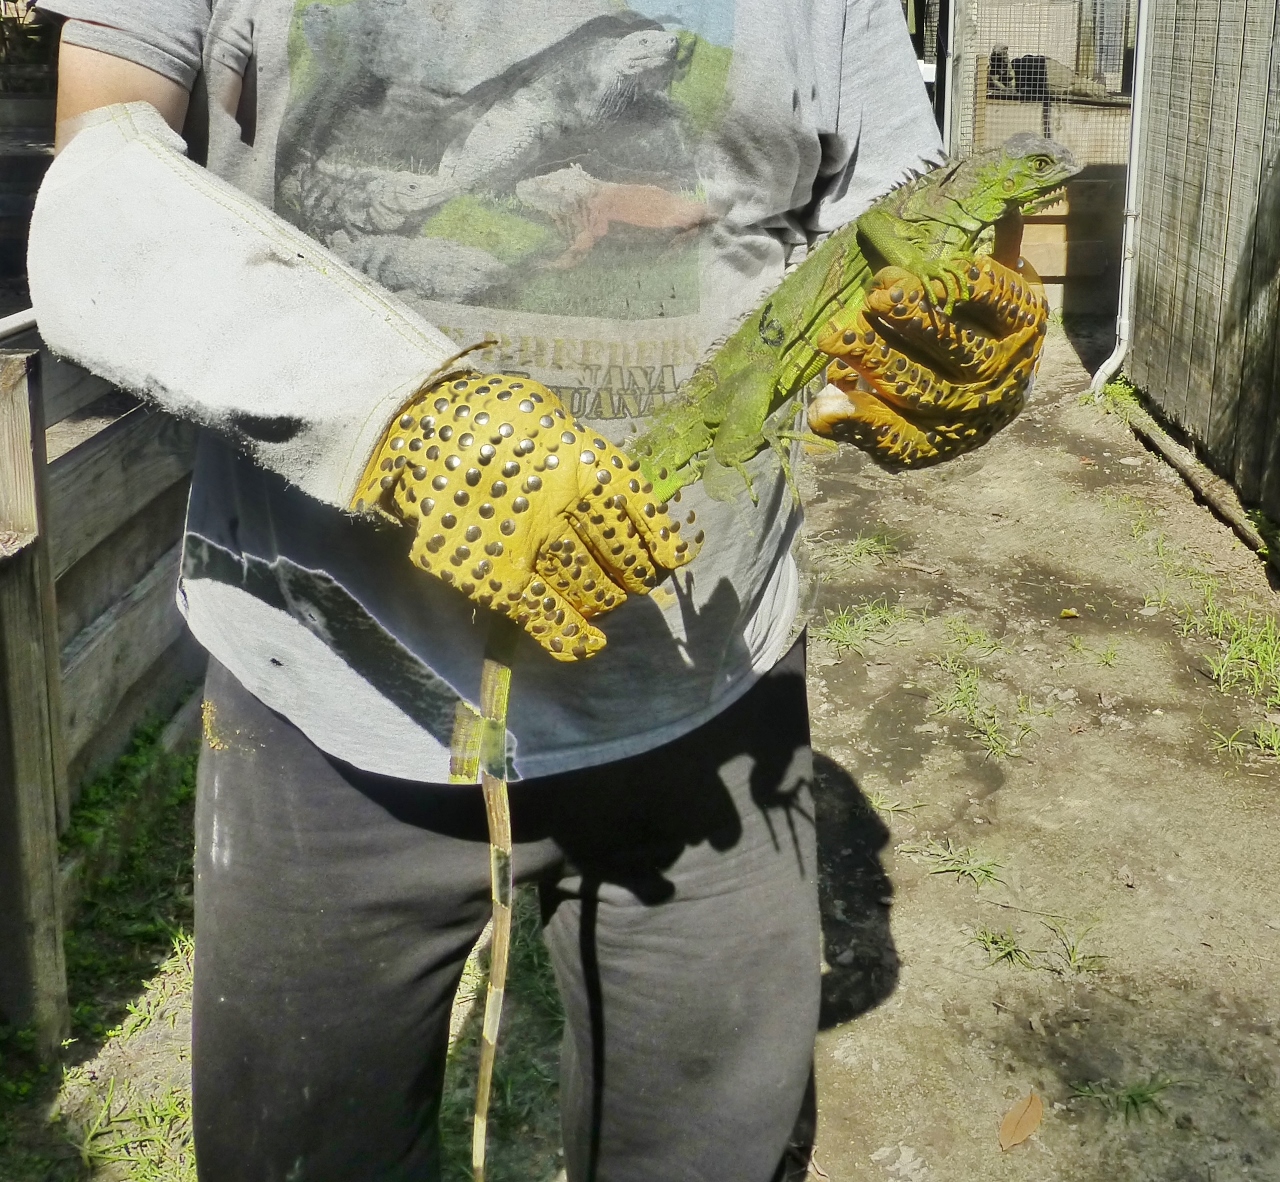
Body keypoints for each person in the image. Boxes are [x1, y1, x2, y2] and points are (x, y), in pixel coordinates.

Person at [30, 3, 950, 1178]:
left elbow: (896, 222)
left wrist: (936, 324)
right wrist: (383, 411)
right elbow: (97, 177)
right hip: (323, 695)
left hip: (710, 693)